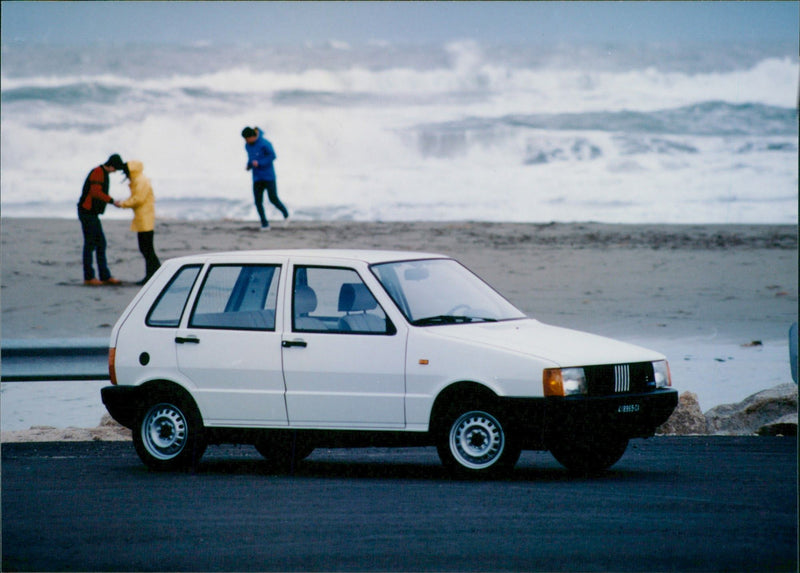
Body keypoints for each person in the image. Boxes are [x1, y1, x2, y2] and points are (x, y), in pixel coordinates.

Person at [78, 154, 125, 285]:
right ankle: (89, 277)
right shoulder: (98, 172)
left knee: (100, 243)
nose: (115, 171)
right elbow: (95, 192)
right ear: (111, 166)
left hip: (91, 213)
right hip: (87, 212)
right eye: (115, 169)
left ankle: (104, 276)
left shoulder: (102, 173)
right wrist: (112, 201)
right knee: (90, 244)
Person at [114, 160, 161, 285]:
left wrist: (122, 204)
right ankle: (153, 274)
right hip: (142, 218)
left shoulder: (141, 181)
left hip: (145, 218)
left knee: (147, 249)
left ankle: (154, 274)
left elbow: (138, 199)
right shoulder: (138, 180)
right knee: (146, 249)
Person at [242, 126, 289, 230]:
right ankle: (265, 224)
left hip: (268, 176)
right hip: (257, 177)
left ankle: (286, 214)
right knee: (258, 202)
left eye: (246, 139)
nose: (246, 141)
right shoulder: (247, 145)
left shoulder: (265, 143)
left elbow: (273, 156)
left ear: (252, 136)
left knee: (273, 199)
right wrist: (249, 165)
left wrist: (260, 163)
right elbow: (251, 158)